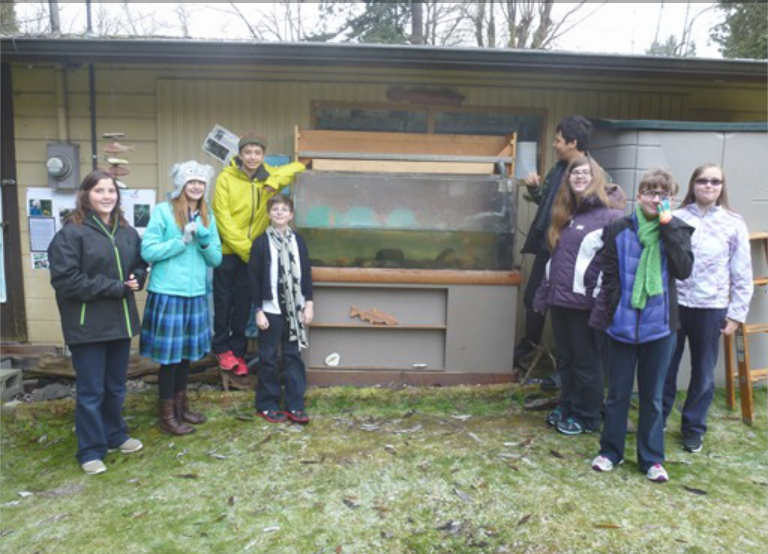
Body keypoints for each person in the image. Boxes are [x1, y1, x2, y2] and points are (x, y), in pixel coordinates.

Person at [589, 168, 694, 483]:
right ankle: (610, 452)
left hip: (660, 329)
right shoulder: (619, 228)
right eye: (650, 192)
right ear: (640, 195)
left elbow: (684, 269)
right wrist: (613, 308)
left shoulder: (677, 229)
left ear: (671, 199)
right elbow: (609, 272)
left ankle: (651, 459)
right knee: (618, 394)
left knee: (652, 396)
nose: (655, 198)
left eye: (663, 194)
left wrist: (668, 228)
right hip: (621, 326)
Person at [48, 169, 147, 475]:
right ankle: (90, 449)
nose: (106, 196)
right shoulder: (71, 233)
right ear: (86, 196)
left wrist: (138, 278)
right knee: (91, 391)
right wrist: (116, 287)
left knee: (115, 387)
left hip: (120, 322)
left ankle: (115, 435)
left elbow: (139, 265)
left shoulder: (127, 232)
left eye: (111, 191)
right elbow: (66, 281)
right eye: (99, 191)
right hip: (86, 325)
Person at [662, 164, 753, 453]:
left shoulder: (733, 223)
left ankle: (693, 428)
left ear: (722, 187)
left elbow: (742, 272)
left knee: (702, 372)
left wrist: (736, 315)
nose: (709, 186)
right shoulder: (674, 217)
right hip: (674, 305)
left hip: (711, 308)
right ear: (693, 184)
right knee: (665, 366)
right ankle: (659, 417)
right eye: (703, 181)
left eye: (715, 181)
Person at [533, 155, 626, 435]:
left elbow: (614, 270)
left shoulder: (612, 216)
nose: (579, 177)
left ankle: (587, 416)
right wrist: (543, 295)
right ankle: (568, 405)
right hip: (561, 301)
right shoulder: (567, 214)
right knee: (567, 360)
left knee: (587, 362)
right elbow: (556, 261)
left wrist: (603, 307)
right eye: (575, 173)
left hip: (587, 305)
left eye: (585, 173)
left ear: (597, 177)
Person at [212, 133, 305, 376]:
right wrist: (246, 250)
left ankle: (238, 352)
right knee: (223, 302)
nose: (252, 157)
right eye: (248, 152)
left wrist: (274, 182)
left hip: (253, 253)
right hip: (229, 250)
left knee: (244, 303)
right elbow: (222, 217)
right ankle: (222, 348)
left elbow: (298, 166)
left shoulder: (269, 176)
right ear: (240, 154)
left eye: (257, 153)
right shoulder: (226, 178)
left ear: (263, 155)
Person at [140, 161, 223, 435]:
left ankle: (181, 408)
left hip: (195, 293)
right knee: (170, 359)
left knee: (186, 356)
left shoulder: (207, 214)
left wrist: (203, 239)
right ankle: (167, 417)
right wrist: (181, 241)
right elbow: (148, 251)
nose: (197, 186)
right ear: (181, 185)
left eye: (201, 182)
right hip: (168, 293)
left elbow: (216, 259)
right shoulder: (163, 212)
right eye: (192, 182)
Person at [515, 115, 596, 383]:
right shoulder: (560, 167)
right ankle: (529, 352)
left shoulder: (590, 172)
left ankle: (564, 371)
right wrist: (536, 191)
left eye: (558, 140)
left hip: (571, 255)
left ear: (573, 142)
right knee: (534, 302)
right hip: (546, 246)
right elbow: (549, 205)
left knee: (567, 310)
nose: (554, 144)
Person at [247, 195, 314, 424]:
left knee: (292, 356)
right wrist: (258, 310)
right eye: (275, 209)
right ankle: (267, 404)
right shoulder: (261, 243)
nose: (279, 213)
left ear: (291, 214)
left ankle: (295, 405)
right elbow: (253, 279)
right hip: (270, 309)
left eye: (284, 209)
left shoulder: (299, 241)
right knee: (267, 357)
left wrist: (309, 304)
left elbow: (306, 274)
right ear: (269, 214)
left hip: (295, 310)